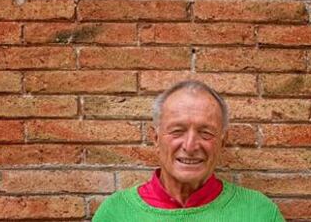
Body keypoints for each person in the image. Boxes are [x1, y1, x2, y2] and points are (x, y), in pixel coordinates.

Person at [93, 80, 285, 221]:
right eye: (177, 131)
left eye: (206, 132)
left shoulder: (259, 213)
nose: (190, 146)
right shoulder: (115, 213)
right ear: (156, 138)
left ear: (222, 141)